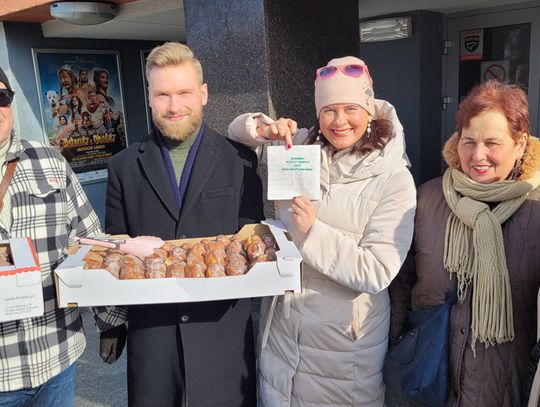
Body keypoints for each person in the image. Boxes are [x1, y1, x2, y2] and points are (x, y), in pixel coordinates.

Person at [227, 56, 416, 406]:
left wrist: (311, 232)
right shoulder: (300, 147)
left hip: (344, 350)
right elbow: (234, 131)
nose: (339, 121)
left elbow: (377, 271)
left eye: (350, 109)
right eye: (328, 110)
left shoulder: (394, 180)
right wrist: (264, 129)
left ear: (369, 109)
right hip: (282, 334)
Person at [101, 42, 264, 406]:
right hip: (153, 346)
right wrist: (111, 321)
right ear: (149, 96)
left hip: (222, 345)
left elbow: (252, 248)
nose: (174, 106)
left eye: (184, 93)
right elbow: (115, 250)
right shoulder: (123, 167)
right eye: (162, 94)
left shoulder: (240, 161)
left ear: (203, 94)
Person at [388, 80, 540, 406]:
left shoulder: (536, 209)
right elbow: (402, 284)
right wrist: (397, 348)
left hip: (505, 389)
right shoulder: (428, 198)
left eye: (492, 143)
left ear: (520, 143)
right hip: (430, 384)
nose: (478, 155)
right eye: (468, 141)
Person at [0, 68, 125, 406]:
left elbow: (90, 240)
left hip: (55, 354)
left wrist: (110, 320)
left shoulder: (49, 161)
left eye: (1, 97)